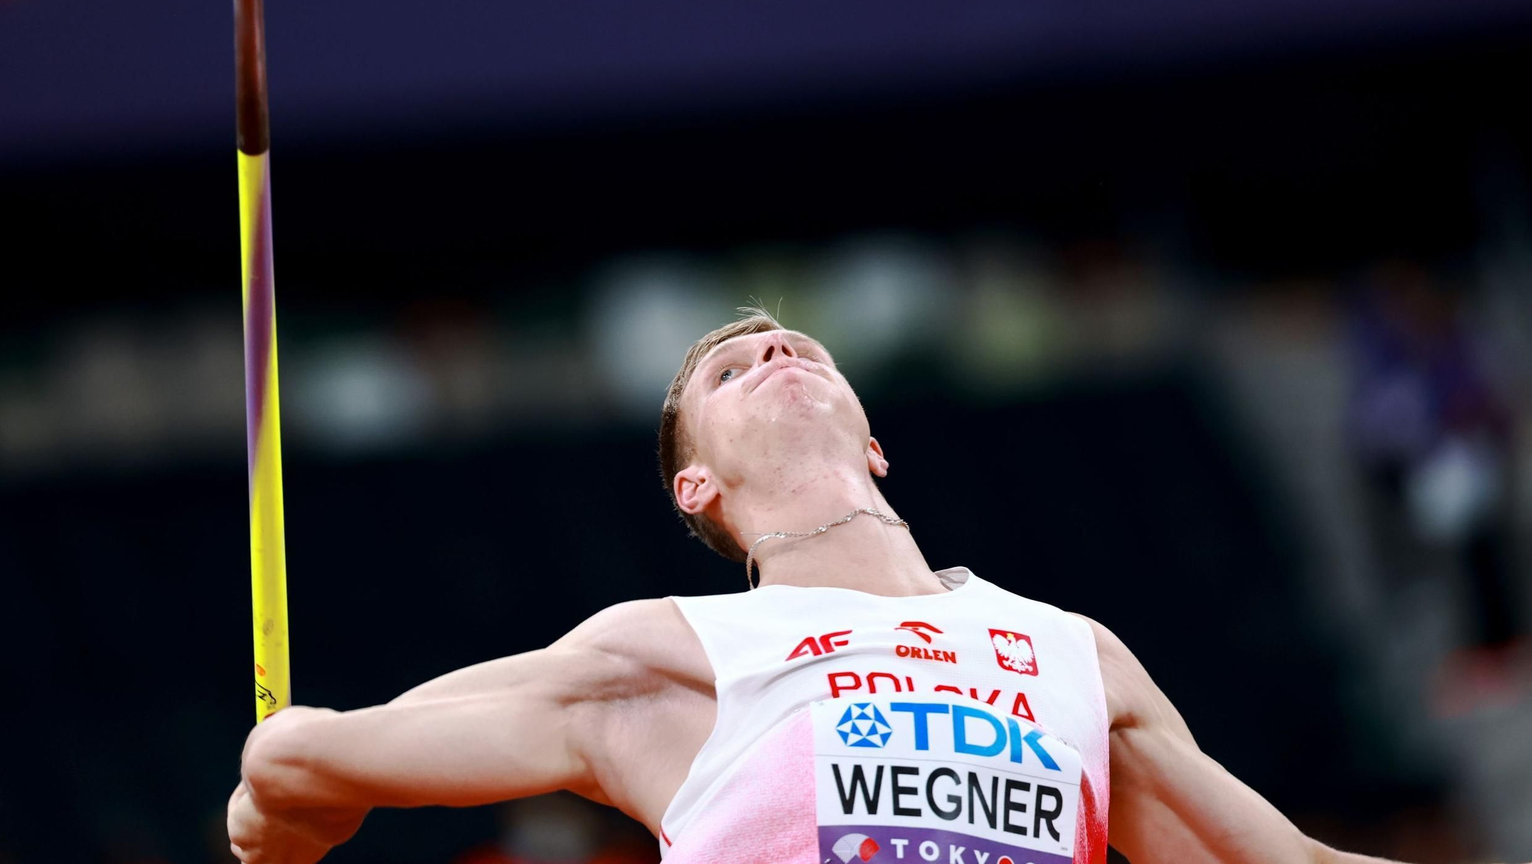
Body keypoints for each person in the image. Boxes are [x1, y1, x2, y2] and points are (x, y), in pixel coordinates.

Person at [227, 310, 1429, 864]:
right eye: (728, 367)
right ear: (694, 486)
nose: (775, 347)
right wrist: (280, 812)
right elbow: (306, 755)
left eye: (799, 345)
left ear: (874, 444)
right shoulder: (669, 657)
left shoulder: (1075, 655)